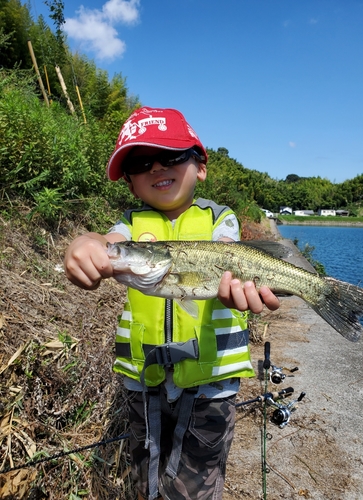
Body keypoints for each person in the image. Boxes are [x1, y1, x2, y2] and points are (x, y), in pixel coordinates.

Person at [64, 106, 279, 500]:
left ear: (200, 167)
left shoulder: (219, 219)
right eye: (142, 162)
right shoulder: (130, 225)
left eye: (173, 156)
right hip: (142, 387)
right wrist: (84, 243)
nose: (158, 167)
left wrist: (246, 279)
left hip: (210, 390)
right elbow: (106, 242)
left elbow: (229, 251)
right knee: (144, 479)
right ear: (130, 184)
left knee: (196, 484)